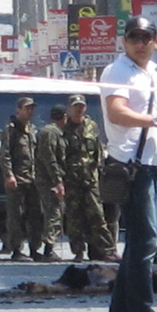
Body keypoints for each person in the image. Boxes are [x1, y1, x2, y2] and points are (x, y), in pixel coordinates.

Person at [100, 16, 157, 312]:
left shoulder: (150, 73)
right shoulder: (118, 71)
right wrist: (155, 121)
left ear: (155, 40)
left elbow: (153, 113)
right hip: (128, 167)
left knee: (139, 240)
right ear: (124, 41)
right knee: (146, 240)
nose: (139, 43)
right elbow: (116, 112)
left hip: (147, 163)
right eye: (133, 37)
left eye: (145, 38)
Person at [63, 94, 114, 263]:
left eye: (81, 106)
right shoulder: (63, 130)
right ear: (69, 109)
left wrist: (100, 172)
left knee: (98, 216)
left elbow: (98, 151)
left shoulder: (92, 126)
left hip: (91, 179)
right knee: (74, 218)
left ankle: (107, 250)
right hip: (72, 181)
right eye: (75, 106)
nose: (79, 109)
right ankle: (78, 251)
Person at [0, 96, 43, 262]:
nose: (30, 111)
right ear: (19, 110)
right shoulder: (11, 130)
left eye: (32, 108)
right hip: (17, 179)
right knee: (15, 215)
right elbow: (5, 155)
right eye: (27, 108)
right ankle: (16, 249)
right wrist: (9, 175)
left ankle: (34, 248)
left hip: (32, 179)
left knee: (35, 215)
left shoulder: (32, 130)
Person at [35, 104, 67, 262]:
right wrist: (58, 181)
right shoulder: (50, 133)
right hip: (48, 180)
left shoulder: (53, 132)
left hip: (48, 179)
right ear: (64, 117)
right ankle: (48, 249)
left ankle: (47, 247)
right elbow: (50, 159)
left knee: (53, 212)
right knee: (53, 213)